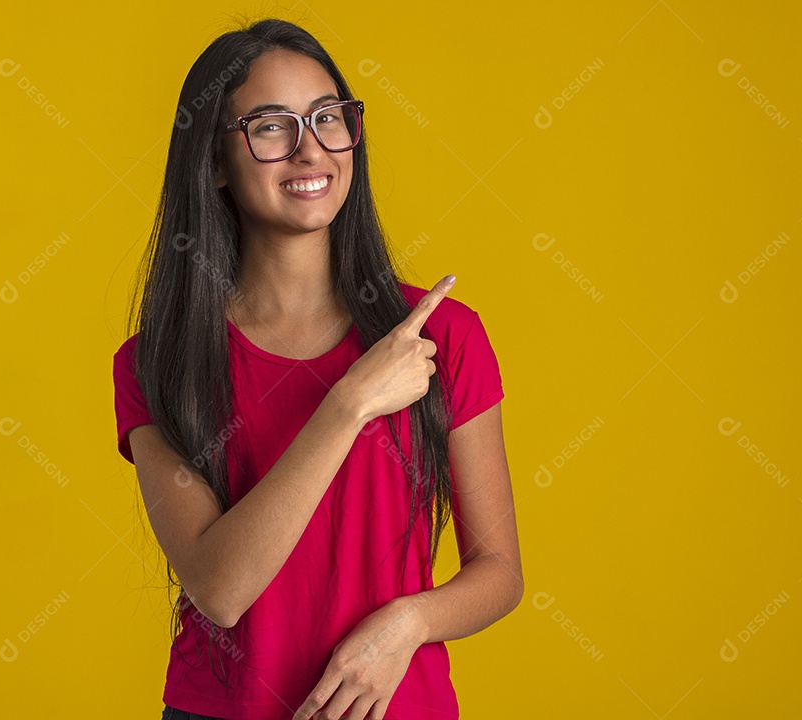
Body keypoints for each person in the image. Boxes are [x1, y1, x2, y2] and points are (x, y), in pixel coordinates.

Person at [112, 17, 523, 720]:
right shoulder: (158, 362)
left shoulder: (441, 336)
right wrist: (349, 403)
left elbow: (500, 573)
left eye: (328, 118)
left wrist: (409, 625)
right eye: (271, 126)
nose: (312, 151)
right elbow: (220, 586)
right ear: (215, 160)